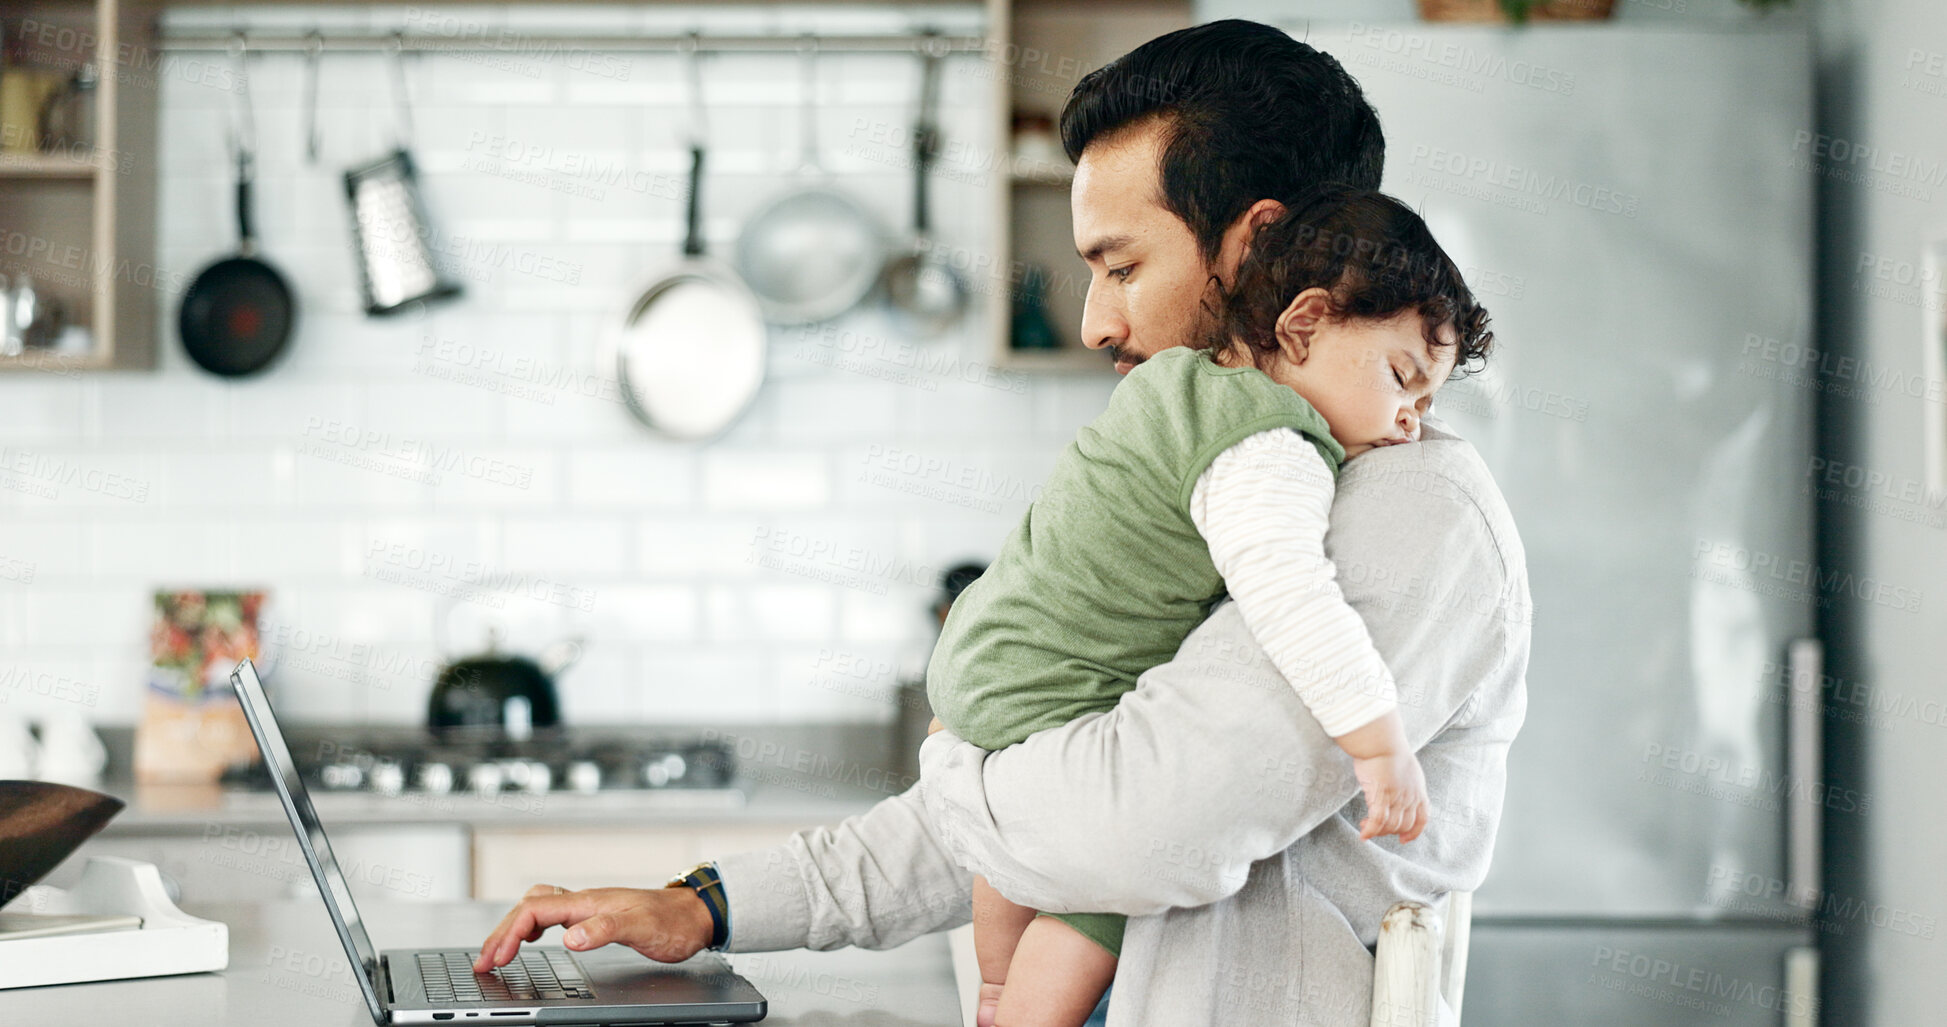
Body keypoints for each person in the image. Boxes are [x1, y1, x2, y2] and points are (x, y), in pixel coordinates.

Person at [475, 21, 1531, 1025]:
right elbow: (1039, 803)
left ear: (1254, 248)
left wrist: (959, 747)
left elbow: (1136, 827)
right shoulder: (1231, 469)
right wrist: (705, 905)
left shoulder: (1410, 512)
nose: (1094, 319)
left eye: (1121, 265)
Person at [924, 185, 1493, 1026]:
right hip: (1049, 691)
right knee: (1103, 892)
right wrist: (1378, 746)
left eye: (1426, 402)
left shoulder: (1176, 381)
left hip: (989, 661)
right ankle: (1020, 1007)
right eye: (1403, 378)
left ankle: (1000, 986)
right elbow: (1292, 598)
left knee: (1016, 858)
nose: (1411, 423)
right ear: (1302, 326)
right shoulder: (1269, 444)